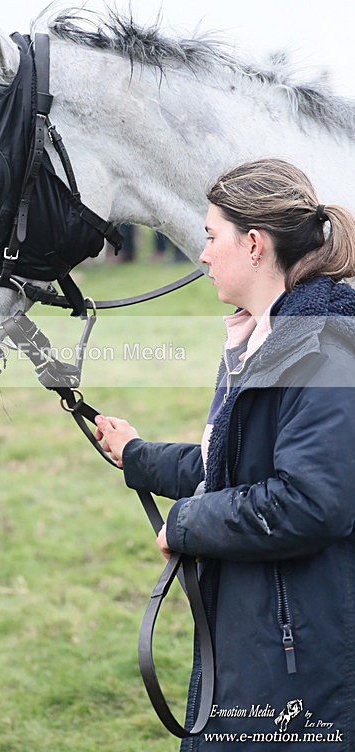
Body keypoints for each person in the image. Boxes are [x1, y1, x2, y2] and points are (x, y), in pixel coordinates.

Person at [95, 158, 355, 750]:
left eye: (213, 237)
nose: (204, 254)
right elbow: (237, 467)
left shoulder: (326, 355)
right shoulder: (267, 337)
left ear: (255, 244)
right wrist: (136, 454)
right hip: (261, 638)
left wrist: (184, 524)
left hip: (299, 666)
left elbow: (311, 504)